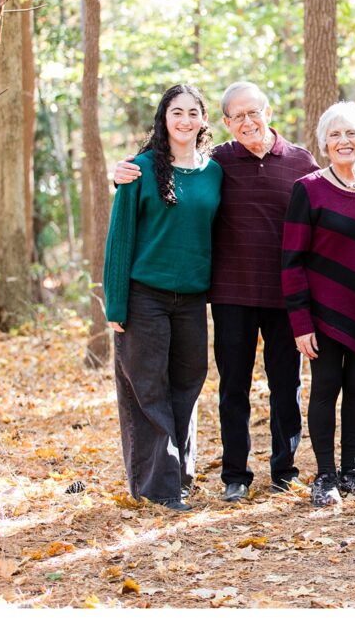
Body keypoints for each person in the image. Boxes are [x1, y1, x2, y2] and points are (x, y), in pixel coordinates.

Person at [115, 82, 355, 502]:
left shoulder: (300, 161)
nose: (247, 122)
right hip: (231, 293)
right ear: (223, 122)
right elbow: (172, 172)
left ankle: (284, 469)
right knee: (233, 386)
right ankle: (235, 474)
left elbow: (337, 188)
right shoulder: (217, 161)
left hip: (286, 297)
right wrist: (123, 170)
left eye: (253, 112)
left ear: (268, 112)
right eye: (237, 116)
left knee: (285, 386)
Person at [103, 84, 223, 512]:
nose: (185, 120)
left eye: (193, 112)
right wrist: (115, 305)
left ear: (204, 120)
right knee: (148, 390)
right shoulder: (139, 170)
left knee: (187, 384)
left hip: (192, 298)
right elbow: (120, 240)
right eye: (177, 112)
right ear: (164, 118)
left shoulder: (214, 172)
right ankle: (157, 488)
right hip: (144, 296)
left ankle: (179, 476)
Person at [282, 102, 355, 507]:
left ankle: (351, 471)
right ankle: (325, 476)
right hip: (324, 314)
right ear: (324, 143)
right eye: (334, 135)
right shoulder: (308, 189)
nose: (343, 141)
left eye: (350, 133)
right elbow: (291, 261)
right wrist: (300, 322)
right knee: (326, 390)